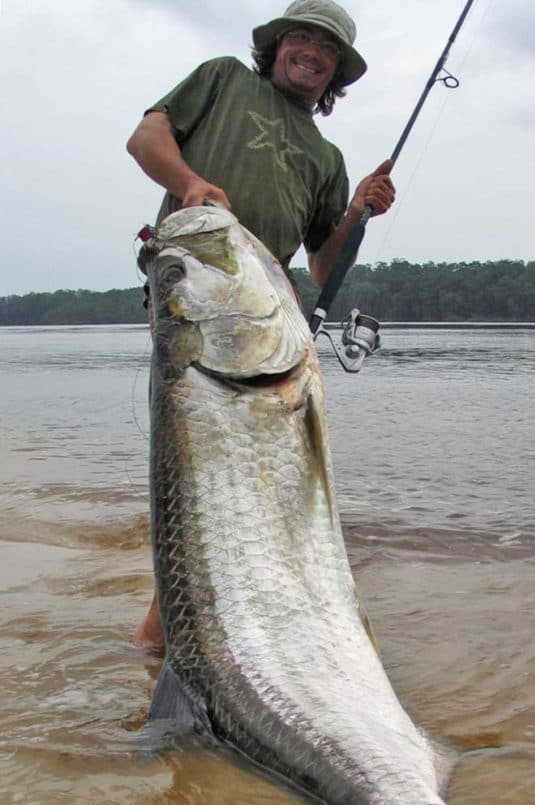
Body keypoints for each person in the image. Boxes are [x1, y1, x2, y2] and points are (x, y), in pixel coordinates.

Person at [127, 0, 395, 656]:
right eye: (301, 38)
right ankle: (155, 656)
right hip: (202, 311)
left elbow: (323, 262)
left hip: (270, 327)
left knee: (265, 497)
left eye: (327, 50)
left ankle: (226, 645)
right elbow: (145, 139)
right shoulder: (222, 80)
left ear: (337, 73)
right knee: (201, 488)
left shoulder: (325, 155)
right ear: (275, 46)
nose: (312, 52)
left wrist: (357, 214)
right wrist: (190, 183)